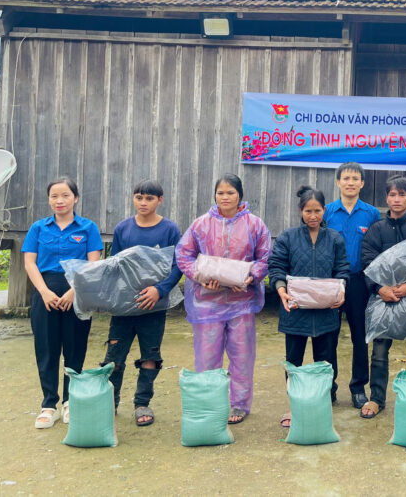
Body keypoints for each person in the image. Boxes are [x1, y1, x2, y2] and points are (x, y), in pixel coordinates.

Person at [176, 173, 271, 425]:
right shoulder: (200, 224)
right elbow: (184, 254)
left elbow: (264, 257)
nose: (225, 197)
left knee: (242, 355)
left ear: (240, 195)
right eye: (221, 193)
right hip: (207, 302)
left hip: (242, 301)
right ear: (215, 195)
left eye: (230, 193)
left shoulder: (255, 225)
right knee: (207, 356)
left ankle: (239, 404)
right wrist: (200, 276)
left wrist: (251, 277)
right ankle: (209, 403)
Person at [22, 177, 103, 429]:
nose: (60, 201)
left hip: (77, 293)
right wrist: (44, 292)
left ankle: (70, 401)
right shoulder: (38, 228)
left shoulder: (88, 228)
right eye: (54, 196)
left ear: (75, 198)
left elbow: (93, 264)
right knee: (46, 349)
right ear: (49, 200)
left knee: (75, 348)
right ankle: (49, 405)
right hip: (45, 293)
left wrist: (74, 291)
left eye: (65, 195)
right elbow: (30, 263)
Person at [100, 180, 182, 426]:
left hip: (153, 306)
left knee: (151, 355)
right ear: (133, 198)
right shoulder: (123, 228)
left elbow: (177, 265)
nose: (143, 203)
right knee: (114, 356)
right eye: (139, 197)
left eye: (149, 198)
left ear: (160, 200)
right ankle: (110, 402)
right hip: (124, 306)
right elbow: (114, 264)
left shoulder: (170, 229)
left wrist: (159, 290)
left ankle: (142, 403)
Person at [269, 185, 350, 427]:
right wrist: (281, 290)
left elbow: (342, 268)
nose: (313, 216)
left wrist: (342, 289)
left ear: (324, 210)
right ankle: (294, 406)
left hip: (326, 311)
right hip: (295, 311)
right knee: (293, 361)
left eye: (317, 211)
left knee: (325, 362)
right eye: (308, 211)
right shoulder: (288, 237)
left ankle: (321, 405)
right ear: (300, 211)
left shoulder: (334, 238)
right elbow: (277, 266)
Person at [359, 175, 406, 419]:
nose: (397, 199)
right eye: (392, 194)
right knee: (379, 351)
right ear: (386, 198)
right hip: (383, 298)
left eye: (402, 194)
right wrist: (379, 288)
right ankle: (377, 399)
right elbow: (367, 261)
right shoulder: (377, 230)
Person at [323, 162, 381, 409]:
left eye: (355, 178)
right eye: (345, 178)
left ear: (362, 183)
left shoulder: (371, 214)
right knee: (329, 337)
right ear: (338, 182)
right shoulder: (326, 212)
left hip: (359, 282)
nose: (350, 182)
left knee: (360, 337)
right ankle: (329, 387)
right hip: (332, 282)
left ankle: (358, 388)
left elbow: (377, 248)